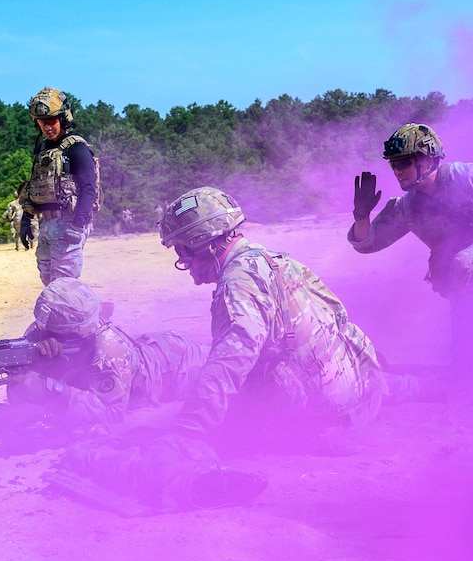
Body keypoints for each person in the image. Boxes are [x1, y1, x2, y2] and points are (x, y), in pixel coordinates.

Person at [158, 186, 429, 438]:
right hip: (362, 392)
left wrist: (188, 430)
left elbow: (229, 361)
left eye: (183, 250)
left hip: (328, 425)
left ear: (204, 243)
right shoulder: (273, 261)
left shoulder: (238, 283)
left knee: (222, 393)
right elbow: (335, 318)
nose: (183, 261)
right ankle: (420, 387)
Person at [348, 123, 473, 306]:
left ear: (427, 161)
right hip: (465, 286)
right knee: (464, 269)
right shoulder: (407, 207)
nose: (396, 171)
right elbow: (368, 243)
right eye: (393, 164)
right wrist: (361, 216)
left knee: (466, 262)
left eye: (403, 163)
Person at [7, 277, 208, 426]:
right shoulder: (41, 331)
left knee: (222, 365)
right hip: (151, 348)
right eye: (47, 330)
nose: (46, 335)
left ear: (75, 333)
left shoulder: (108, 348)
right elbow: (21, 395)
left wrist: (51, 387)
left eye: (56, 333)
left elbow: (112, 413)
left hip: (177, 365)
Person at [20, 87, 98, 285]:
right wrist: (26, 221)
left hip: (68, 222)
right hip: (46, 225)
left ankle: (87, 313)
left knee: (63, 285)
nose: (47, 127)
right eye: (42, 123)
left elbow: (89, 188)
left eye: (51, 121)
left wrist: (78, 225)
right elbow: (33, 186)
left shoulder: (76, 148)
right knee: (48, 281)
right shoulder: (43, 149)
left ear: (63, 118)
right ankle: (85, 312)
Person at [1, 183, 35, 251]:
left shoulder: (12, 204)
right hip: (26, 218)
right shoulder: (25, 201)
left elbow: (9, 212)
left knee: (18, 233)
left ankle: (18, 246)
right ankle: (29, 245)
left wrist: (9, 219)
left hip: (17, 219)